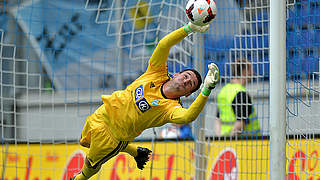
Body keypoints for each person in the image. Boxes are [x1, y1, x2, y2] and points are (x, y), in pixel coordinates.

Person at [71, 22, 219, 180]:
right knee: (84, 140)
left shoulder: (170, 108)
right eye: (186, 76)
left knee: (91, 166)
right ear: (176, 74)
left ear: (188, 94)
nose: (185, 81)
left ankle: (78, 179)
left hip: (111, 137)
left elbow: (188, 116)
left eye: (190, 84)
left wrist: (206, 89)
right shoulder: (157, 72)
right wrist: (189, 28)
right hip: (102, 113)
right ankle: (135, 151)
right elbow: (164, 44)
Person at [214, 58, 260, 137]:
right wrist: (232, 141)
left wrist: (221, 139)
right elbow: (240, 124)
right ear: (245, 71)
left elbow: (217, 119)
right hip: (246, 142)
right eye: (251, 70)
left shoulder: (224, 90)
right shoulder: (241, 93)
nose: (253, 73)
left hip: (224, 141)